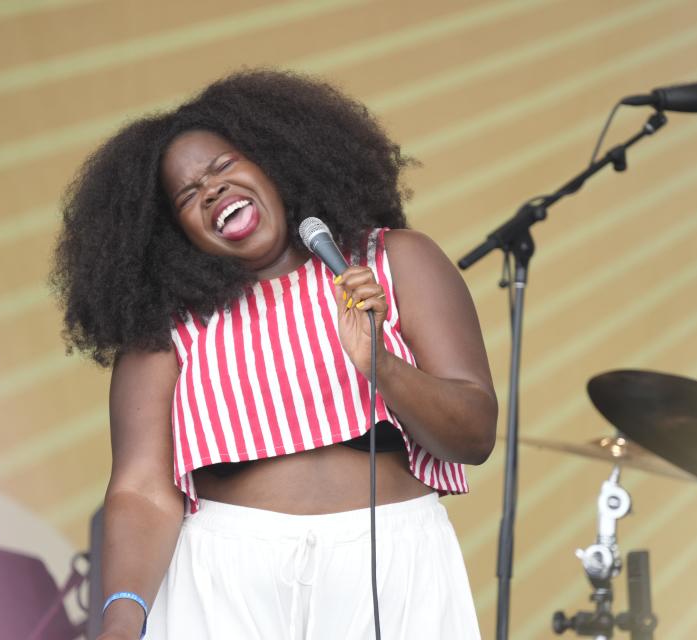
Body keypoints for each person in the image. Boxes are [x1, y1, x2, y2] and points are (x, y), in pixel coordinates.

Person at [51, 69, 497, 640]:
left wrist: (380, 366)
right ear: (173, 232)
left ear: (277, 163)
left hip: (393, 558)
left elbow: (474, 435)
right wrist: (118, 622)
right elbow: (141, 491)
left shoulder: (394, 262)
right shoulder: (163, 329)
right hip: (226, 578)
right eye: (188, 196)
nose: (211, 191)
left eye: (224, 167)